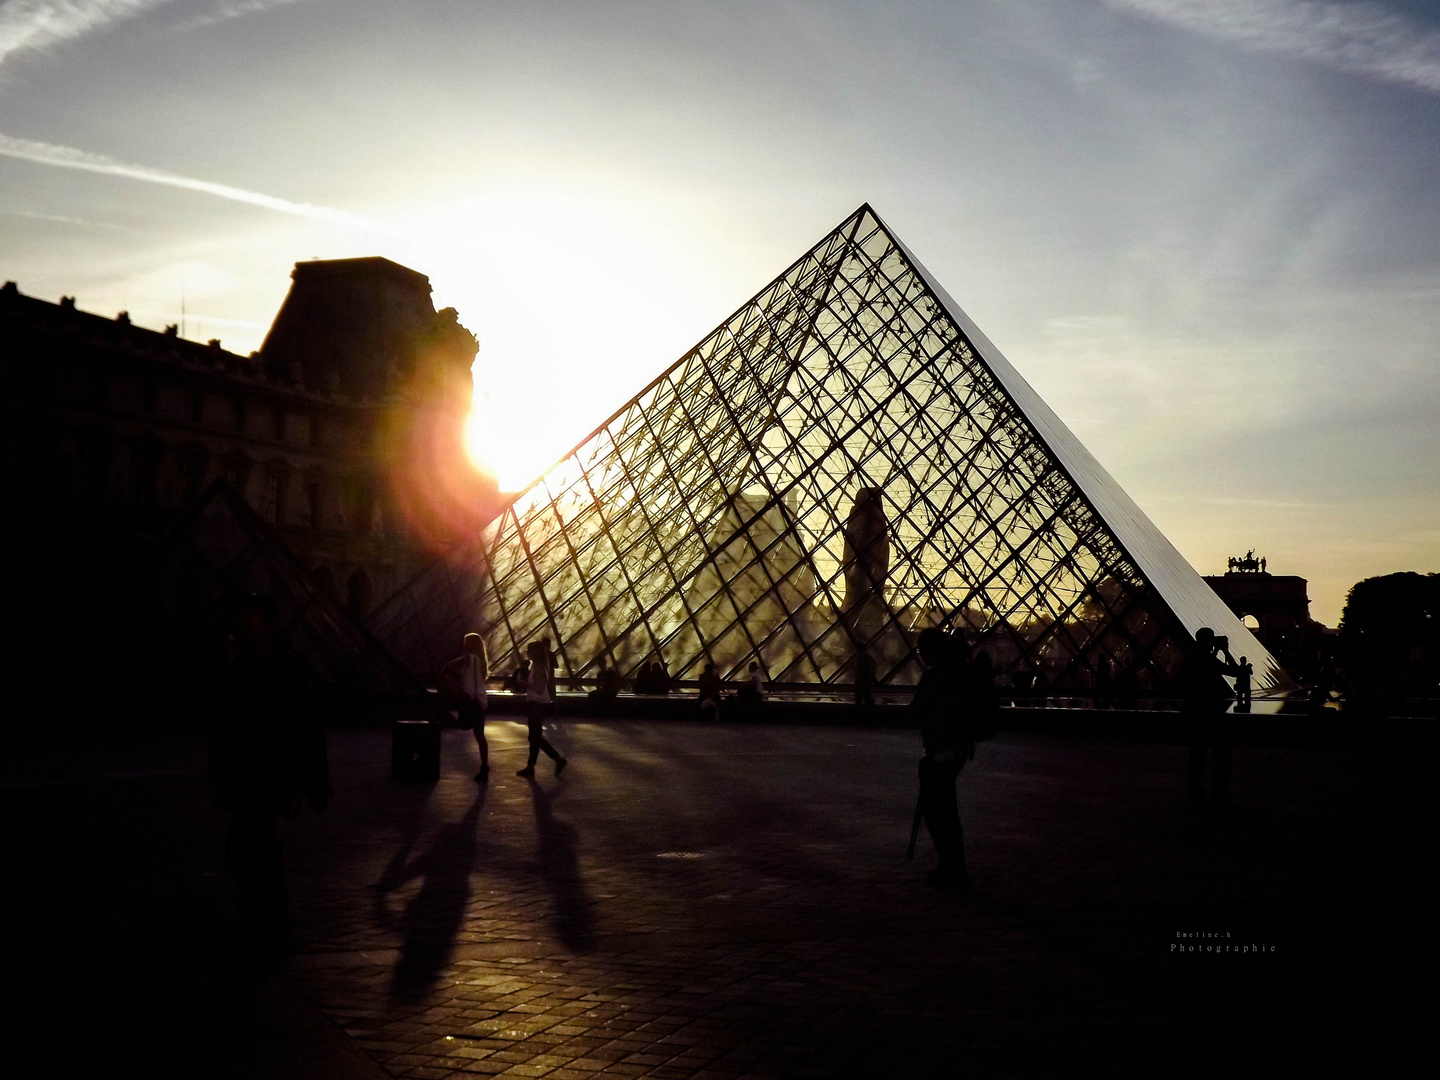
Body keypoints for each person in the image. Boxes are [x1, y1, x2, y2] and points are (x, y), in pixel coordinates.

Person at [210, 593, 330, 952]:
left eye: (251, 617)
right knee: (254, 848)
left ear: (268, 623)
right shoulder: (254, 667)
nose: (243, 623)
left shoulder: (282, 671)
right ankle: (268, 920)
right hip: (250, 772)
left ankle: (265, 922)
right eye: (242, 617)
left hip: (264, 774)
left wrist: (311, 781)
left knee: (251, 847)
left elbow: (304, 728)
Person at [910, 628, 971, 892]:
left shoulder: (935, 677)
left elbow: (915, 712)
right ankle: (953, 865)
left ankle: (951, 868)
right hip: (958, 751)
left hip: (938, 754)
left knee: (938, 813)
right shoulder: (961, 674)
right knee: (948, 813)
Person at [1176, 627, 1243, 811]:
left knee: (1197, 757)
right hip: (1212, 716)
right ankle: (1217, 797)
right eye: (1212, 639)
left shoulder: (1193, 659)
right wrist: (1226, 651)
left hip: (1196, 715)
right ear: (1208, 641)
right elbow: (1236, 672)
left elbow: (1179, 685)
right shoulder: (1209, 660)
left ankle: (1197, 797)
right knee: (1222, 757)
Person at [442, 632, 490, 781]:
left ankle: (484, 767)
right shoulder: (482, 661)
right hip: (480, 702)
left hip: (470, 700)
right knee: (480, 735)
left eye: (466, 642)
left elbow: (449, 666)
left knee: (464, 726)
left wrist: (450, 682)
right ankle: (484, 765)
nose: (463, 645)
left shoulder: (469, 658)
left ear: (470, 645)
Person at [518, 640, 566, 777]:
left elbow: (539, 689)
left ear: (535, 652)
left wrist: (525, 684)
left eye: (528, 650)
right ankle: (531, 766)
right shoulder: (540, 666)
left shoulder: (538, 667)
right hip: (538, 704)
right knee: (535, 737)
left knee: (535, 737)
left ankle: (557, 759)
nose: (526, 653)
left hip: (536, 704)